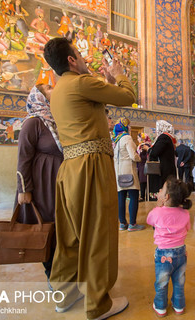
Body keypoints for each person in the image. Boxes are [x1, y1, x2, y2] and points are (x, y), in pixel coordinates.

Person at [43, 37, 136, 320]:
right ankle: (98, 304)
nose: (84, 60)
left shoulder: (58, 90)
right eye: (79, 55)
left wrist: (104, 80)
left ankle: (64, 294)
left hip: (70, 168)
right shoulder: (81, 83)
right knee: (98, 233)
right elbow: (128, 96)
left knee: (71, 236)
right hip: (92, 165)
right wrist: (119, 75)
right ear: (71, 60)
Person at [15, 84, 63, 280]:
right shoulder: (33, 122)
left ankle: (63, 270)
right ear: (40, 96)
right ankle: (52, 274)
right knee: (46, 227)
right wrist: (24, 189)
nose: (55, 88)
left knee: (61, 227)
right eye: (49, 87)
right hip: (43, 184)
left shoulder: (54, 121)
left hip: (58, 182)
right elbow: (23, 158)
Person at [146, 177, 192, 317]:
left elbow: (149, 221)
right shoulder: (186, 213)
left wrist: (158, 206)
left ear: (166, 197)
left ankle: (161, 307)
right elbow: (188, 228)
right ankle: (179, 306)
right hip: (181, 253)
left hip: (163, 255)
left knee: (162, 282)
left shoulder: (157, 212)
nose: (159, 190)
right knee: (179, 281)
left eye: (162, 189)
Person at [112, 117, 145, 232]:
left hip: (118, 171)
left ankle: (122, 223)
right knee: (134, 196)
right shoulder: (127, 138)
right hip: (129, 171)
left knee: (121, 197)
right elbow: (133, 155)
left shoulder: (115, 140)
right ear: (125, 127)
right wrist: (139, 157)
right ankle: (132, 224)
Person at [148, 120, 177, 200]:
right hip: (167, 168)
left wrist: (148, 149)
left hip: (164, 170)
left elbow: (155, 152)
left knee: (164, 193)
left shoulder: (164, 137)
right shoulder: (168, 137)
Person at [136, 132, 151, 201]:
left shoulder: (144, 146)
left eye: (138, 138)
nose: (137, 139)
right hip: (141, 166)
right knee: (143, 182)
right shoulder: (142, 146)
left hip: (143, 166)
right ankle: (144, 196)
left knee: (144, 182)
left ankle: (144, 197)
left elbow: (144, 157)